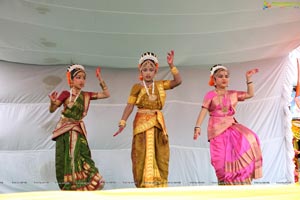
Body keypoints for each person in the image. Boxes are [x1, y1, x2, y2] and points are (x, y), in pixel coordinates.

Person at [113, 50, 182, 188]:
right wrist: (122, 122)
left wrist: (171, 65)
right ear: (141, 71)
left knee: (160, 153)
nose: (148, 72)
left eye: (151, 69)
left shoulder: (161, 85)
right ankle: (143, 185)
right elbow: (129, 106)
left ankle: (158, 184)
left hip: (157, 124)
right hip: (141, 124)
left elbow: (178, 81)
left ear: (155, 71)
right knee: (140, 153)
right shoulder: (137, 87)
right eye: (145, 69)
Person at [193, 64, 262, 185]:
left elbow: (250, 94)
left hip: (231, 127)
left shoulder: (233, 94)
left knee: (250, 138)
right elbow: (204, 110)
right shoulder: (210, 95)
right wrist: (197, 126)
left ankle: (240, 181)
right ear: (214, 80)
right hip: (216, 130)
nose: (224, 78)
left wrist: (248, 78)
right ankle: (224, 184)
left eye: (226, 76)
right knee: (219, 161)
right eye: (220, 76)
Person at [48, 64, 109, 190]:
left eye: (84, 78)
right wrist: (52, 102)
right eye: (78, 77)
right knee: (69, 155)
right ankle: (72, 184)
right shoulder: (65, 94)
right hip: (65, 130)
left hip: (78, 128)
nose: (82, 80)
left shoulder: (86, 95)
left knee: (83, 153)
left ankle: (91, 179)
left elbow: (106, 94)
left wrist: (100, 79)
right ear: (71, 79)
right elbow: (52, 110)